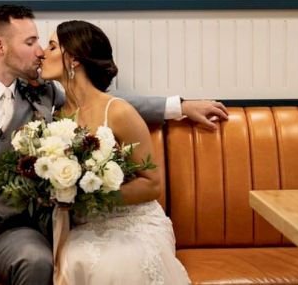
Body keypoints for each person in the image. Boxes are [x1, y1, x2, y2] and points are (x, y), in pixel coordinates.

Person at [0, 5, 226, 285]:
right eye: (30, 42)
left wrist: (180, 106)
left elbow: (105, 103)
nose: (40, 52)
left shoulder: (44, 95)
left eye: (45, 43)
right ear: (0, 46)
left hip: (12, 231)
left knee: (39, 263)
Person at [40, 20, 193, 284]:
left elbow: (152, 185)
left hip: (133, 221)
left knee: (114, 265)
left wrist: (96, 195)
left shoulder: (119, 112)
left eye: (52, 46)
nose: (42, 52)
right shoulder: (55, 119)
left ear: (74, 59)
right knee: (76, 259)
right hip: (85, 227)